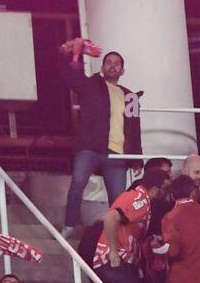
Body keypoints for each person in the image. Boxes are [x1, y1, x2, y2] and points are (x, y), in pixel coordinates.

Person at [59, 43, 142, 236]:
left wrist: (137, 158)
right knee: (78, 182)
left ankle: (116, 235)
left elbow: (134, 130)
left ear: (122, 70)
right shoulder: (91, 84)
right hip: (89, 146)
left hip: (117, 151)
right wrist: (74, 54)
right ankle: (70, 225)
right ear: (102, 67)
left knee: (118, 198)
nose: (113, 66)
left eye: (117, 63)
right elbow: (69, 75)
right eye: (109, 62)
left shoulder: (131, 96)